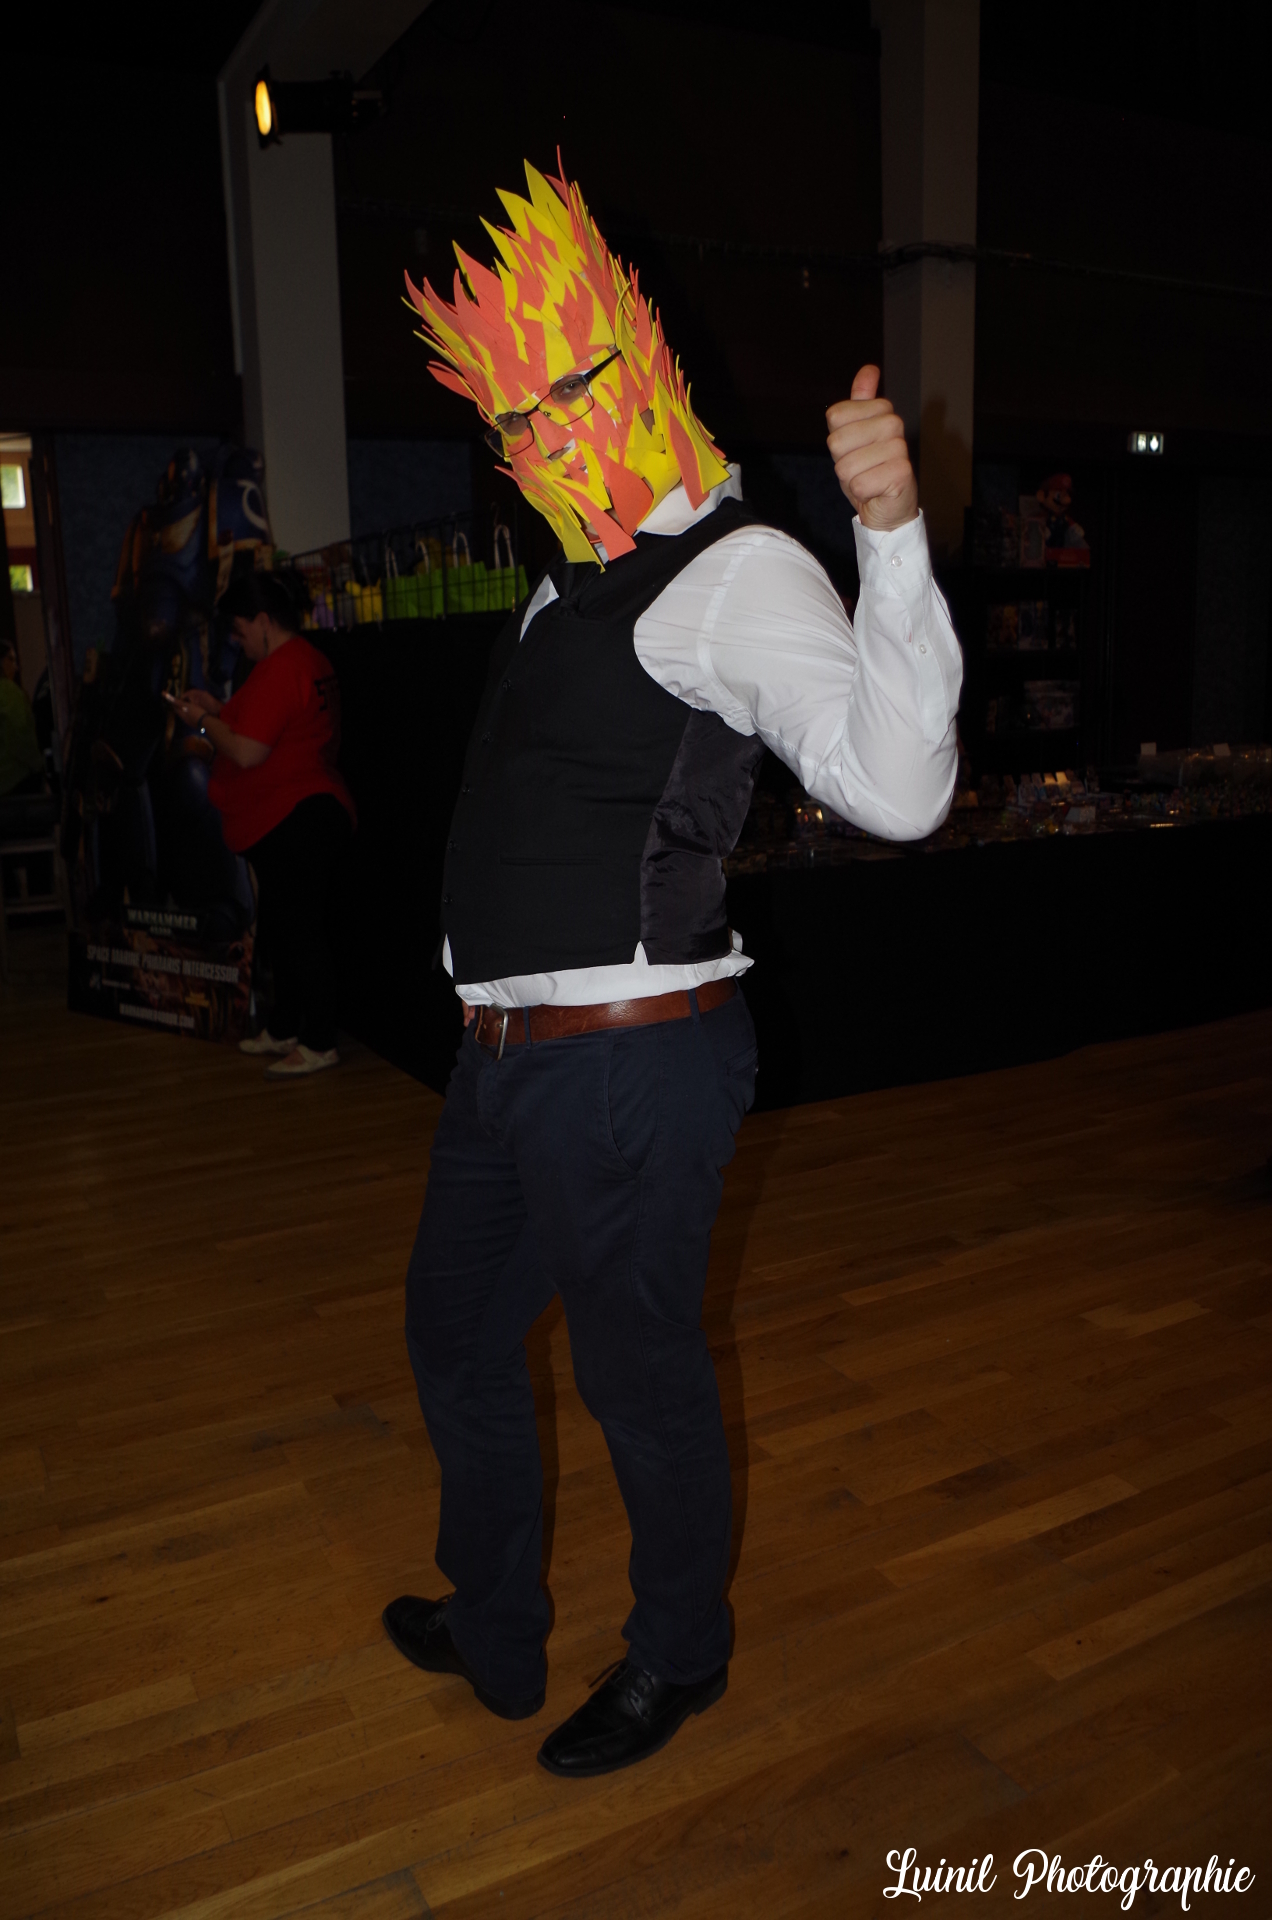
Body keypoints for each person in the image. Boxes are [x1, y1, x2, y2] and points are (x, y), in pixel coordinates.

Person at [381, 160, 963, 1778]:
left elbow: (901, 790)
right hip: (503, 1064)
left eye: (570, 392)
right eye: (515, 419)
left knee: (637, 1376)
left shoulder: (740, 569)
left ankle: (680, 1656)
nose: (546, 437)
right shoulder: (565, 580)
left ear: (638, 360)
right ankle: (495, 1617)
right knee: (452, 1332)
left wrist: (891, 537)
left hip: (630, 1063)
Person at [167, 573, 355, 1079]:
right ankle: (286, 1025)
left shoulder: (283, 667)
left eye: (240, 628)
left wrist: (201, 722)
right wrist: (216, 709)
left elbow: (248, 750)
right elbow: (263, 723)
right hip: (304, 811)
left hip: (296, 814)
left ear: (265, 622)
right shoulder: (305, 661)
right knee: (282, 928)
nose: (237, 640)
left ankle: (318, 1041)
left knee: (300, 932)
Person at [0, 639, 46, 797]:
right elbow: (20, 737)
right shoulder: (9, 692)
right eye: (11, 659)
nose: (16, 667)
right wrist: (39, 764)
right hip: (15, 779)